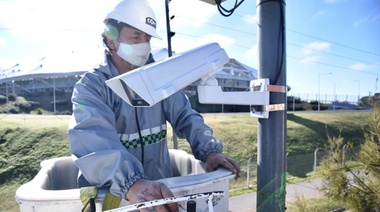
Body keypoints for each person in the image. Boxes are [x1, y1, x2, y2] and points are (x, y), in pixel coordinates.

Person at [68, 0, 241, 211]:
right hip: (114, 199)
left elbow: (185, 116)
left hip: (159, 194)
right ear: (111, 39)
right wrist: (131, 182)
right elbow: (93, 139)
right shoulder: (92, 86)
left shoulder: (157, 77)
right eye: (136, 36)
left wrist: (209, 150)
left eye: (147, 38)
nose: (144, 45)